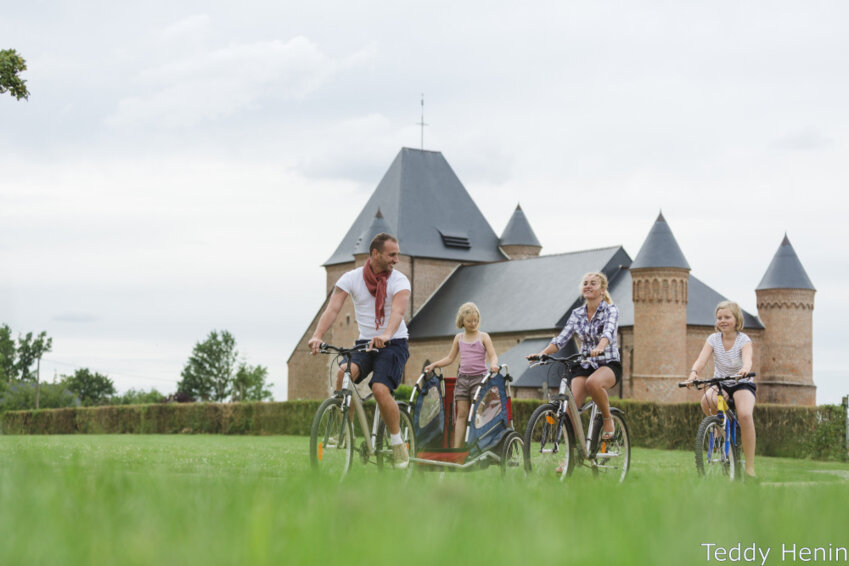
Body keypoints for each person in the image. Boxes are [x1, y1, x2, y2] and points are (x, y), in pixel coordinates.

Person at [308, 233, 411, 469]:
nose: (396, 259)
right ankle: (343, 430)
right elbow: (333, 309)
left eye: (397, 254)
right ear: (375, 254)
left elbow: (397, 312)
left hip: (394, 343)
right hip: (365, 343)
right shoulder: (351, 278)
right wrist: (317, 335)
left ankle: (397, 444)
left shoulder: (400, 281)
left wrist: (386, 334)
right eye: (391, 254)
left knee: (379, 388)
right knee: (343, 373)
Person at [528, 272, 622, 449]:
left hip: (608, 363)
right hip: (585, 364)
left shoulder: (610, 309)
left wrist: (601, 347)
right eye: (585, 283)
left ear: (602, 289)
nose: (588, 286)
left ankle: (608, 420)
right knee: (570, 407)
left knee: (593, 383)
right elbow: (561, 339)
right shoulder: (577, 313)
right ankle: (575, 453)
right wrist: (542, 354)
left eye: (593, 283)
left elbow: (608, 332)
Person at [686, 300, 756, 478]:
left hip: (741, 382)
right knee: (706, 401)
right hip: (721, 382)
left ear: (736, 319)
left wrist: (745, 369)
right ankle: (720, 429)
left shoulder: (743, 340)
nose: (723, 320)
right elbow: (701, 360)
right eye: (719, 318)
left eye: (727, 317)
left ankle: (749, 467)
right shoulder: (713, 339)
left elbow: (747, 358)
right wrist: (694, 373)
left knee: (745, 415)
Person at [424, 302, 499, 448]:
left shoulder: (483, 337)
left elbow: (493, 356)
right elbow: (450, 358)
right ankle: (457, 449)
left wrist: (494, 365)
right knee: (461, 415)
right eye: (469, 321)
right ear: (462, 322)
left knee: (477, 414)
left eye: (475, 320)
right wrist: (434, 365)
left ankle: (476, 447)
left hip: (480, 379)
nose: (473, 324)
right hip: (463, 380)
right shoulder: (459, 338)